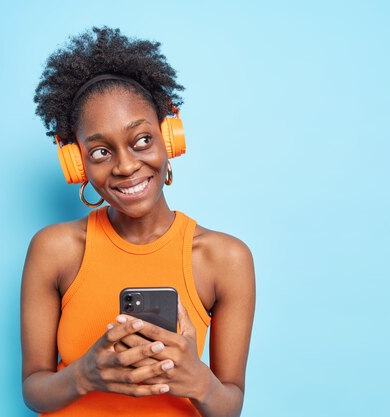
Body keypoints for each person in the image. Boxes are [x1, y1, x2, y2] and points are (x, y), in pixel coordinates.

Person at [21, 27, 255, 417]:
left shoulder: (225, 259)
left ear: (169, 137)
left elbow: (229, 406)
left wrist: (198, 380)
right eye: (99, 151)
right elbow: (34, 389)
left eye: (142, 139)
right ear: (77, 163)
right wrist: (85, 375)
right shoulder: (54, 250)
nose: (126, 165)